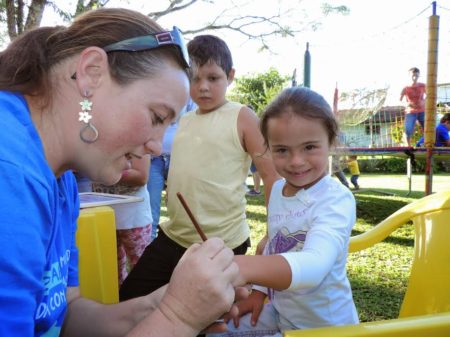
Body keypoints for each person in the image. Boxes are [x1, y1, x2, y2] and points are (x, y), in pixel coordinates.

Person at [0, 8, 245, 336]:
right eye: (158, 117)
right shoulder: (10, 173)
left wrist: (156, 306)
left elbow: (66, 314)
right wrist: (178, 318)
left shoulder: (61, 181)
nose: (157, 147)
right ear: (91, 74)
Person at [120, 34, 280, 300]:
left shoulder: (242, 116)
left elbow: (271, 174)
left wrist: (273, 232)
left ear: (230, 76)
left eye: (213, 78)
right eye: (194, 78)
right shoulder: (180, 119)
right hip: (173, 236)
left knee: (207, 318)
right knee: (130, 298)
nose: (203, 86)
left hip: (220, 244)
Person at [208, 87, 359, 337]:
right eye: (282, 150)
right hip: (282, 313)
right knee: (217, 331)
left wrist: (240, 265)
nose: (296, 161)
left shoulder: (335, 199)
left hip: (326, 329)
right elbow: (274, 245)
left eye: (309, 147)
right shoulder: (278, 190)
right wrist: (258, 292)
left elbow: (313, 266)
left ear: (330, 141)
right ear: (267, 148)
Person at [92, 155, 153, 286]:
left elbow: (141, 177)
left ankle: (140, 303)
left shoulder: (138, 137)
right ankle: (119, 299)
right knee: (110, 270)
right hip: (102, 216)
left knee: (141, 267)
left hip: (134, 218)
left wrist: (103, 172)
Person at [147, 98, 197, 240]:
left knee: (182, 208)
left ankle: (184, 244)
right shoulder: (155, 88)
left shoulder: (189, 94)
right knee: (152, 209)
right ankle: (150, 245)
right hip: (154, 159)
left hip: (179, 158)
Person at [400, 67, 426, 146]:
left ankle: (426, 144)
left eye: (417, 75)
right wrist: (407, 104)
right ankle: (408, 146)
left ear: (419, 76)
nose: (415, 77)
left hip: (422, 110)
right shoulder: (405, 88)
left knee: (427, 129)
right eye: (413, 75)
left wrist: (423, 101)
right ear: (409, 75)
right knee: (408, 129)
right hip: (410, 111)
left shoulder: (423, 85)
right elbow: (400, 100)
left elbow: (430, 95)